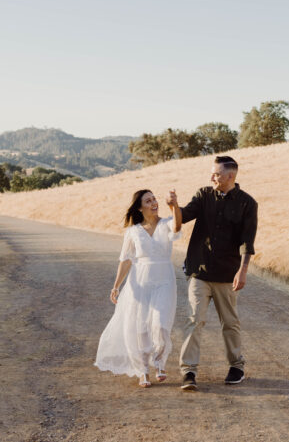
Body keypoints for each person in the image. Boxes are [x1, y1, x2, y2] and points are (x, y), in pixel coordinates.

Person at [166, 155, 258, 391]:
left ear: (230, 176)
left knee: (230, 322)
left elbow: (247, 242)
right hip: (199, 271)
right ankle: (188, 371)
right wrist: (173, 206)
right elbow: (182, 218)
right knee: (194, 320)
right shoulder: (204, 194)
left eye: (216, 174)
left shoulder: (248, 203)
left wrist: (242, 271)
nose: (212, 177)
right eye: (212, 174)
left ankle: (236, 366)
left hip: (228, 273)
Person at [95, 189, 182, 388]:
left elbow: (177, 227)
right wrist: (116, 286)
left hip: (164, 280)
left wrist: (174, 205)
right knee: (141, 327)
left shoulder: (166, 223)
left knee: (160, 324)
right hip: (140, 280)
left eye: (154, 199)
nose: (153, 203)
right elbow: (125, 260)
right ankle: (142, 370)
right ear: (140, 207)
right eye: (148, 200)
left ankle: (159, 363)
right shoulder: (133, 231)